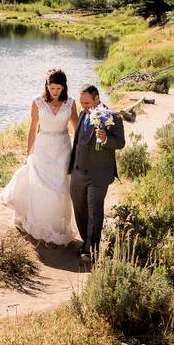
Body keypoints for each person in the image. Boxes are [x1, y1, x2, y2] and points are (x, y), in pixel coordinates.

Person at [1, 68, 79, 245]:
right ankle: (38, 224)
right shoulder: (37, 102)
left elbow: (77, 129)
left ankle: (58, 228)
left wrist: (77, 153)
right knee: (40, 187)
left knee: (60, 188)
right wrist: (28, 152)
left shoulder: (70, 104)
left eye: (58, 88)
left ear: (64, 87)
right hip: (43, 149)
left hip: (63, 149)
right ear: (47, 85)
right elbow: (32, 128)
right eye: (52, 88)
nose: (55, 92)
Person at [69, 84, 125, 264]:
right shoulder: (83, 114)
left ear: (97, 98)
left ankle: (90, 250)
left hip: (98, 174)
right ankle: (86, 240)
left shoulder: (112, 117)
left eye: (86, 102)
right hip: (78, 172)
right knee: (79, 208)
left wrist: (106, 139)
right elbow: (77, 142)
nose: (83, 106)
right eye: (81, 102)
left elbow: (120, 142)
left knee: (94, 210)